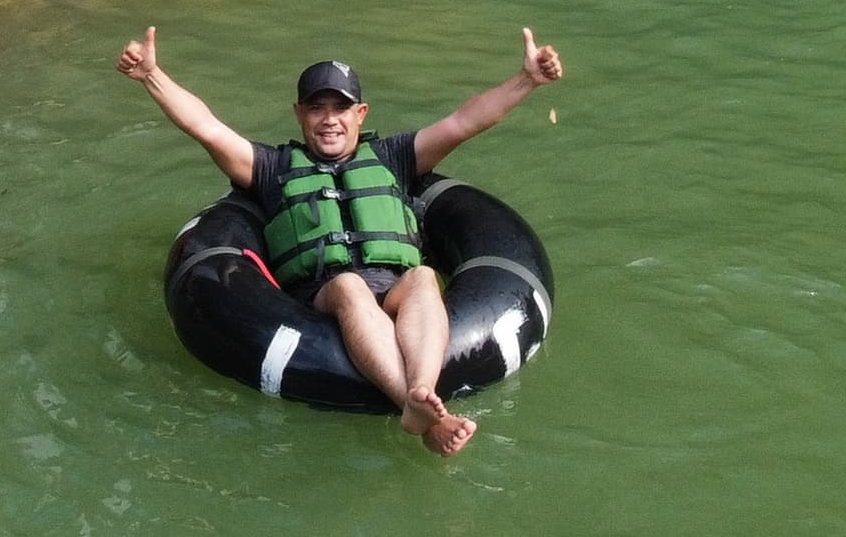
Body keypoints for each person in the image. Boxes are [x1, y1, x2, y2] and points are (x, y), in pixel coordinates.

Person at [115, 27, 568, 457]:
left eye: (340, 107)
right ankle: (420, 413)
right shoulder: (271, 168)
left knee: (424, 276)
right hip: (323, 295)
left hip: (392, 288)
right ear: (299, 114)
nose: (329, 119)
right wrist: (152, 76)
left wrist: (527, 81)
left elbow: (464, 122)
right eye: (317, 108)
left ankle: (422, 396)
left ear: (360, 113)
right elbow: (207, 127)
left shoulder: (394, 157)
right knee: (350, 286)